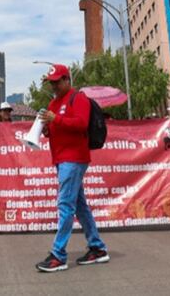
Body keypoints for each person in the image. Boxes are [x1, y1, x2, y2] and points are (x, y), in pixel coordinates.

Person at [34, 64, 107, 272]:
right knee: (79, 205)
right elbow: (58, 128)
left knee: (65, 205)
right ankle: (97, 248)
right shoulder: (53, 103)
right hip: (61, 158)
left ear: (67, 80)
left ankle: (58, 255)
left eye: (57, 81)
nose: (54, 86)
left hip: (74, 158)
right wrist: (48, 129)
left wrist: (56, 119)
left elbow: (82, 124)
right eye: (52, 83)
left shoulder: (79, 98)